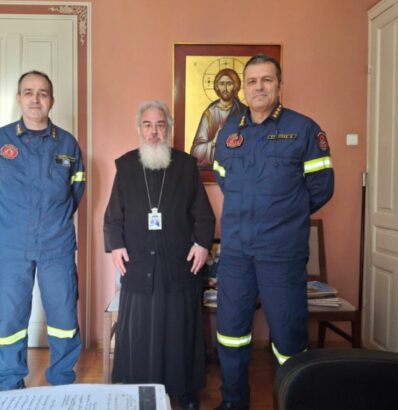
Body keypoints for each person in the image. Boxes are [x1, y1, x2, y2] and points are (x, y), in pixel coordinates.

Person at [212, 54, 334, 410]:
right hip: (236, 252)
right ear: (244, 88)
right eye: (252, 81)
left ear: (280, 84)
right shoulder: (229, 133)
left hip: (281, 253)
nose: (259, 87)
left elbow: (321, 188)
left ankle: (289, 403)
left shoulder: (304, 129)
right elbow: (224, 179)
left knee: (288, 337)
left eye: (267, 79)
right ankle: (233, 402)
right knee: (230, 333)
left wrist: (284, 216)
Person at [0, 70, 85, 391]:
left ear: (52, 100)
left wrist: (54, 218)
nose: (35, 99)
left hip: (57, 245)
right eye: (28, 92)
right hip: (12, 247)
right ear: (19, 98)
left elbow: (76, 191)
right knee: (10, 317)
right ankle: (9, 385)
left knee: (64, 317)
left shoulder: (67, 143)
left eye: (42, 93)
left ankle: (62, 381)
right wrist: (13, 218)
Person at [104, 100, 215, 410]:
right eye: (148, 125)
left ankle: (185, 390)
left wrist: (202, 244)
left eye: (160, 125)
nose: (154, 131)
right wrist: (116, 246)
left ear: (169, 129)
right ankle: (138, 388)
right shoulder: (126, 166)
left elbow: (204, 215)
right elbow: (113, 216)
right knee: (140, 330)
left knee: (181, 329)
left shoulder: (186, 166)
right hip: (139, 263)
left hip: (178, 264)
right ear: (139, 129)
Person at [190, 68, 247, 170]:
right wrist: (214, 142)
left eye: (229, 84)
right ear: (217, 86)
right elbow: (195, 152)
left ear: (235, 86)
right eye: (221, 84)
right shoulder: (210, 113)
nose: (225, 88)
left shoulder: (244, 112)